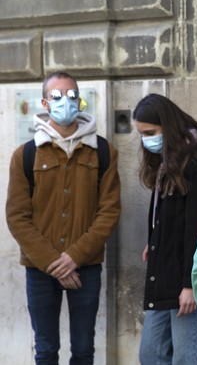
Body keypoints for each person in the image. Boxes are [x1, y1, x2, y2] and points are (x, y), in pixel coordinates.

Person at [5, 71, 121, 363]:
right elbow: (17, 216)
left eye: (71, 95)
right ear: (45, 102)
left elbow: (109, 211)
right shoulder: (26, 155)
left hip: (86, 266)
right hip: (39, 269)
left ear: (80, 101)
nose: (65, 102)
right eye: (57, 96)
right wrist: (54, 263)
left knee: (84, 349)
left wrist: (74, 257)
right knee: (45, 349)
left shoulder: (103, 152)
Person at [133, 94, 197, 365]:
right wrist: (156, 240)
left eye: (150, 133)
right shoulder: (165, 162)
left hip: (187, 280)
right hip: (165, 273)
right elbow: (170, 215)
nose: (146, 139)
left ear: (167, 127)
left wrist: (191, 284)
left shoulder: (195, 164)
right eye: (142, 134)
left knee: (189, 357)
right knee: (151, 353)